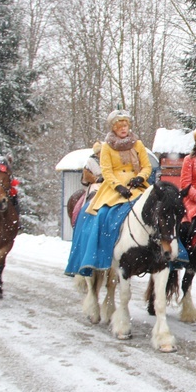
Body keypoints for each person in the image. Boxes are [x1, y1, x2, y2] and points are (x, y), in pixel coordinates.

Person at [65, 109, 153, 277]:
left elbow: (147, 166)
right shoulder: (106, 147)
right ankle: (97, 255)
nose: (123, 129)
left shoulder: (138, 144)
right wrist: (118, 186)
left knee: (157, 209)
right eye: (119, 126)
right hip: (113, 188)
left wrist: (140, 178)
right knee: (102, 214)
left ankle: (166, 253)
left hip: (137, 185)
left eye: (125, 125)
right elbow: (106, 170)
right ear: (113, 128)